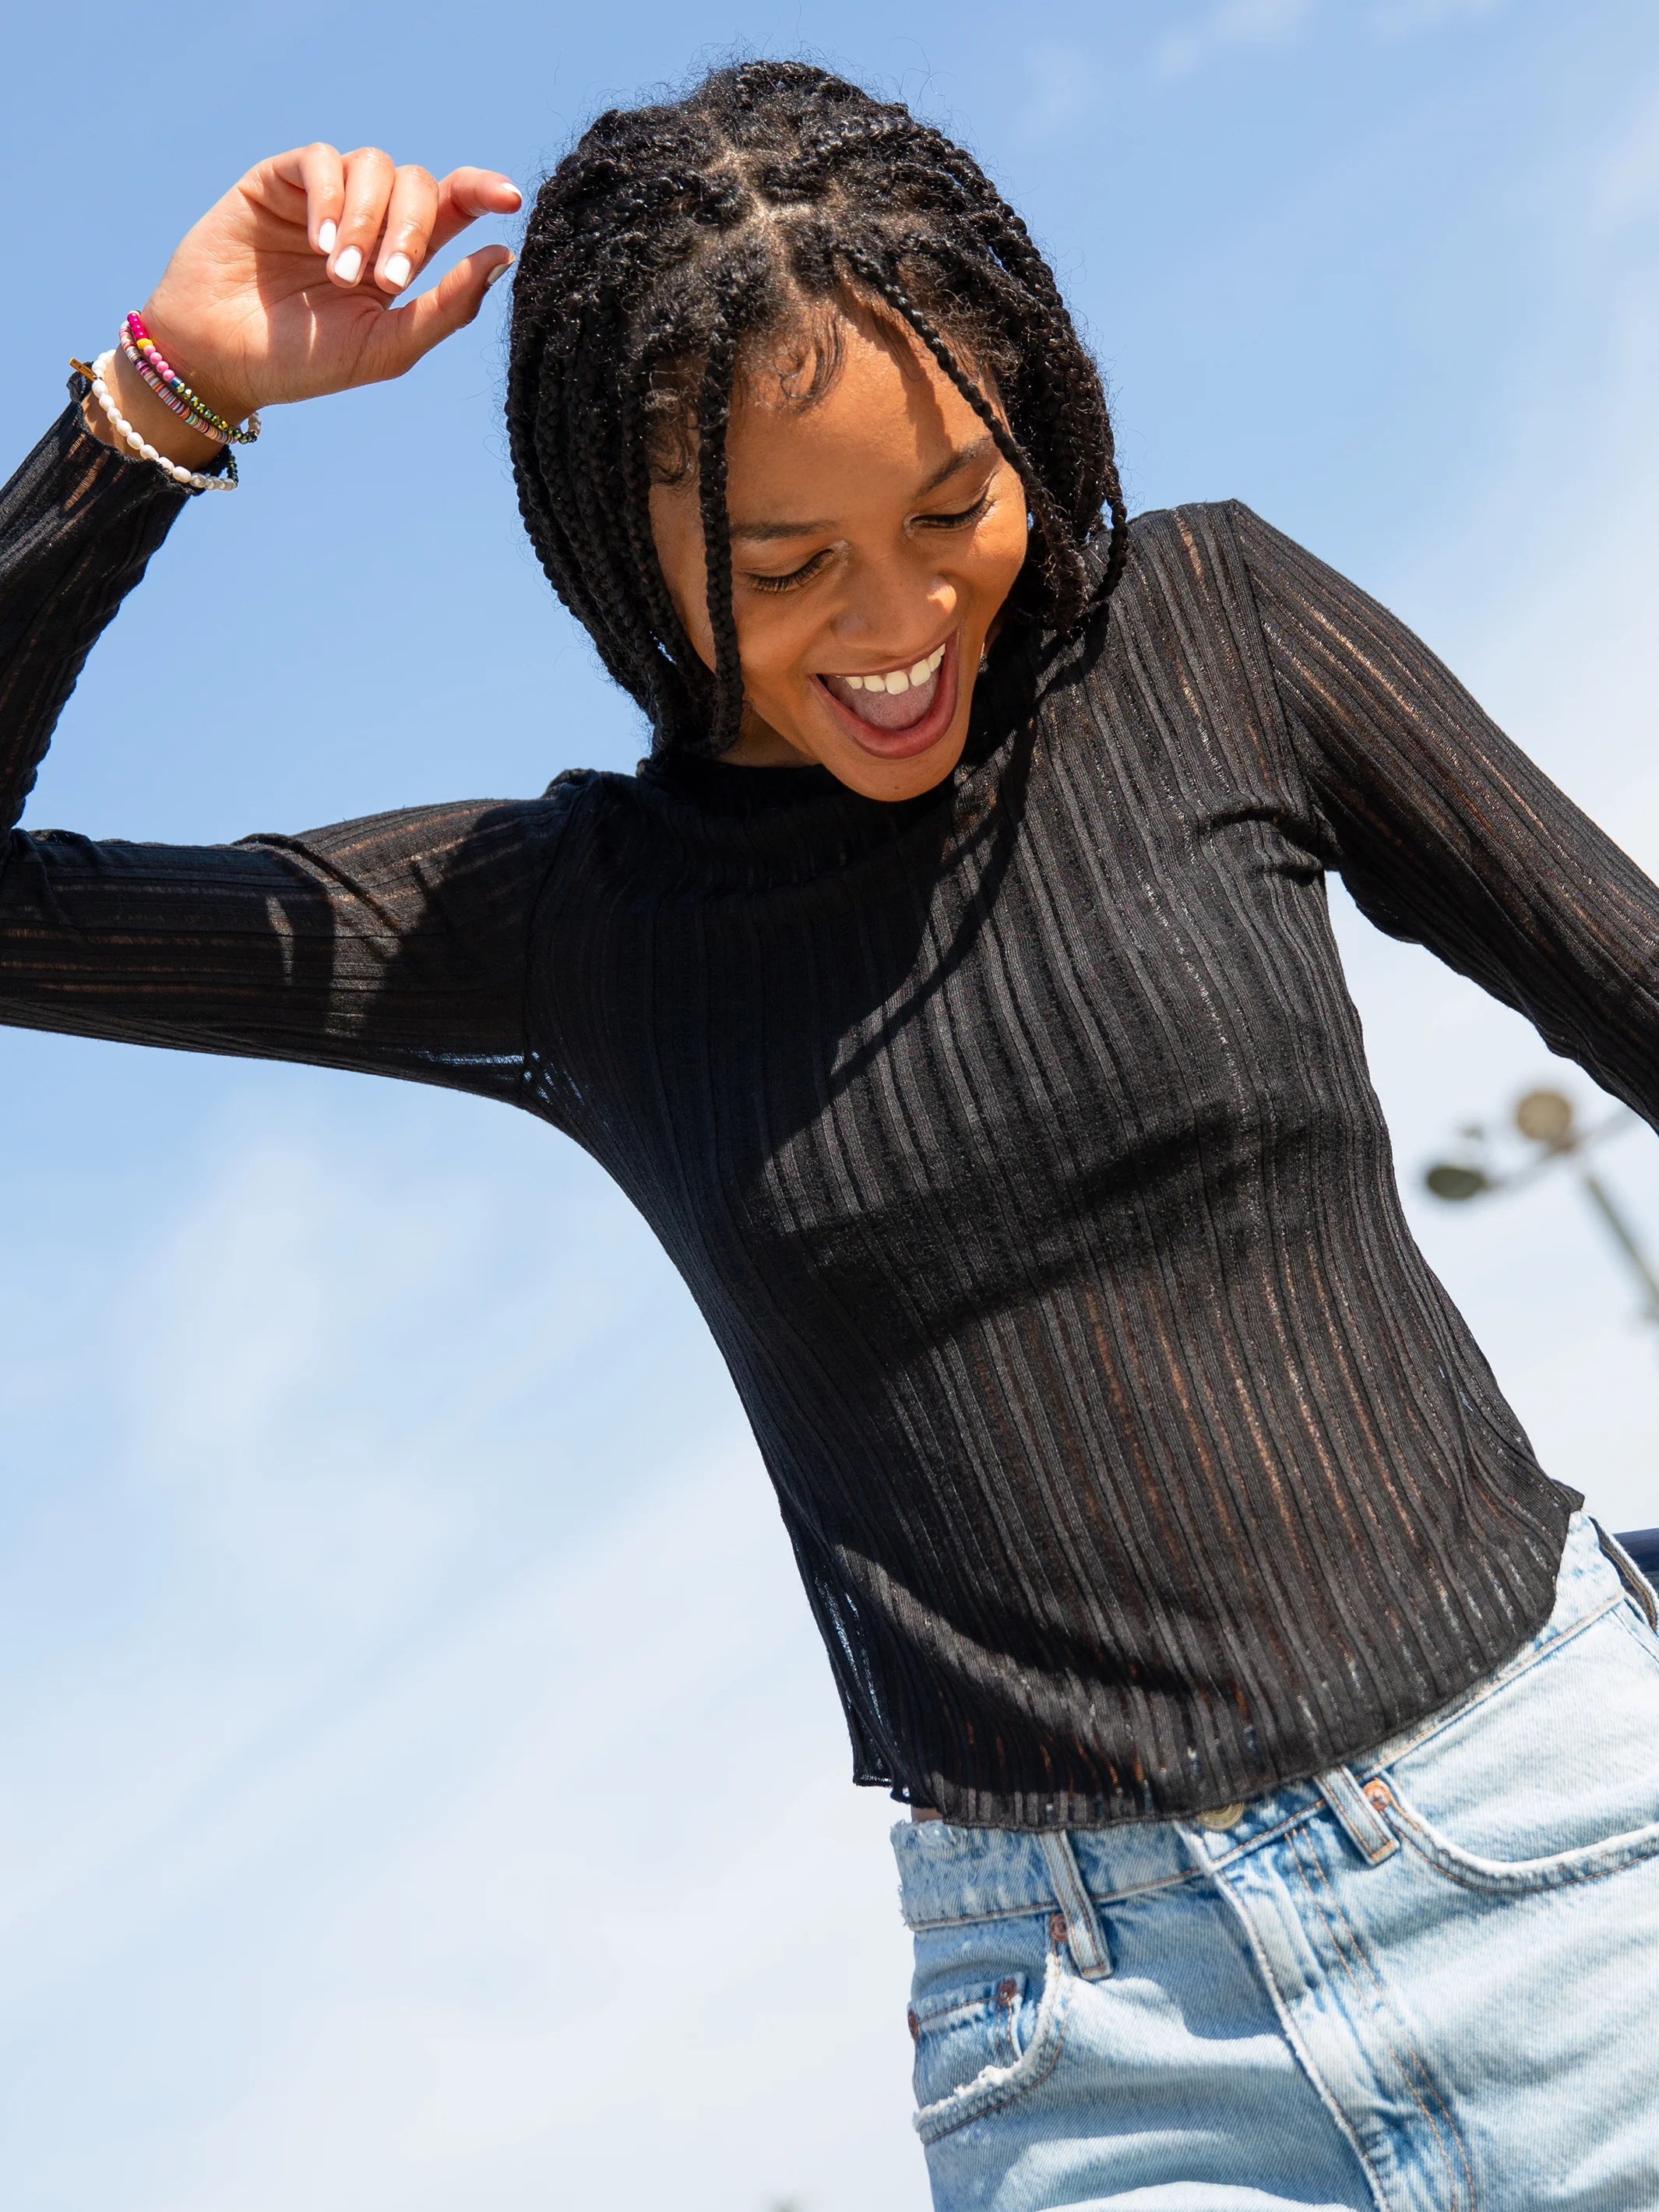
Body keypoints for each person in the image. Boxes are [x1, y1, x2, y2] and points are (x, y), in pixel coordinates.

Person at [4, 57, 1657, 2212]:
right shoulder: (570, 932)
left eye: (951, 510)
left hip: (1579, 1842)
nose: (895, 630)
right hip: (1103, 2059)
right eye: (787, 567)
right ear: (631, 558)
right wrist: (162, 400)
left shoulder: (1224, 639)